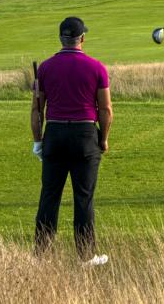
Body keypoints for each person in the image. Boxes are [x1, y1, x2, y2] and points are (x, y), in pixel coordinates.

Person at [31, 16, 112, 265]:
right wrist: (104, 139)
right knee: (83, 197)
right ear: (82, 39)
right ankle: (86, 256)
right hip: (85, 135)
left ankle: (41, 255)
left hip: (54, 134)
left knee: (49, 195)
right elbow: (106, 109)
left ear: (61, 39)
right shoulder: (97, 67)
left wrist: (37, 141)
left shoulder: (45, 68)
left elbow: (36, 110)